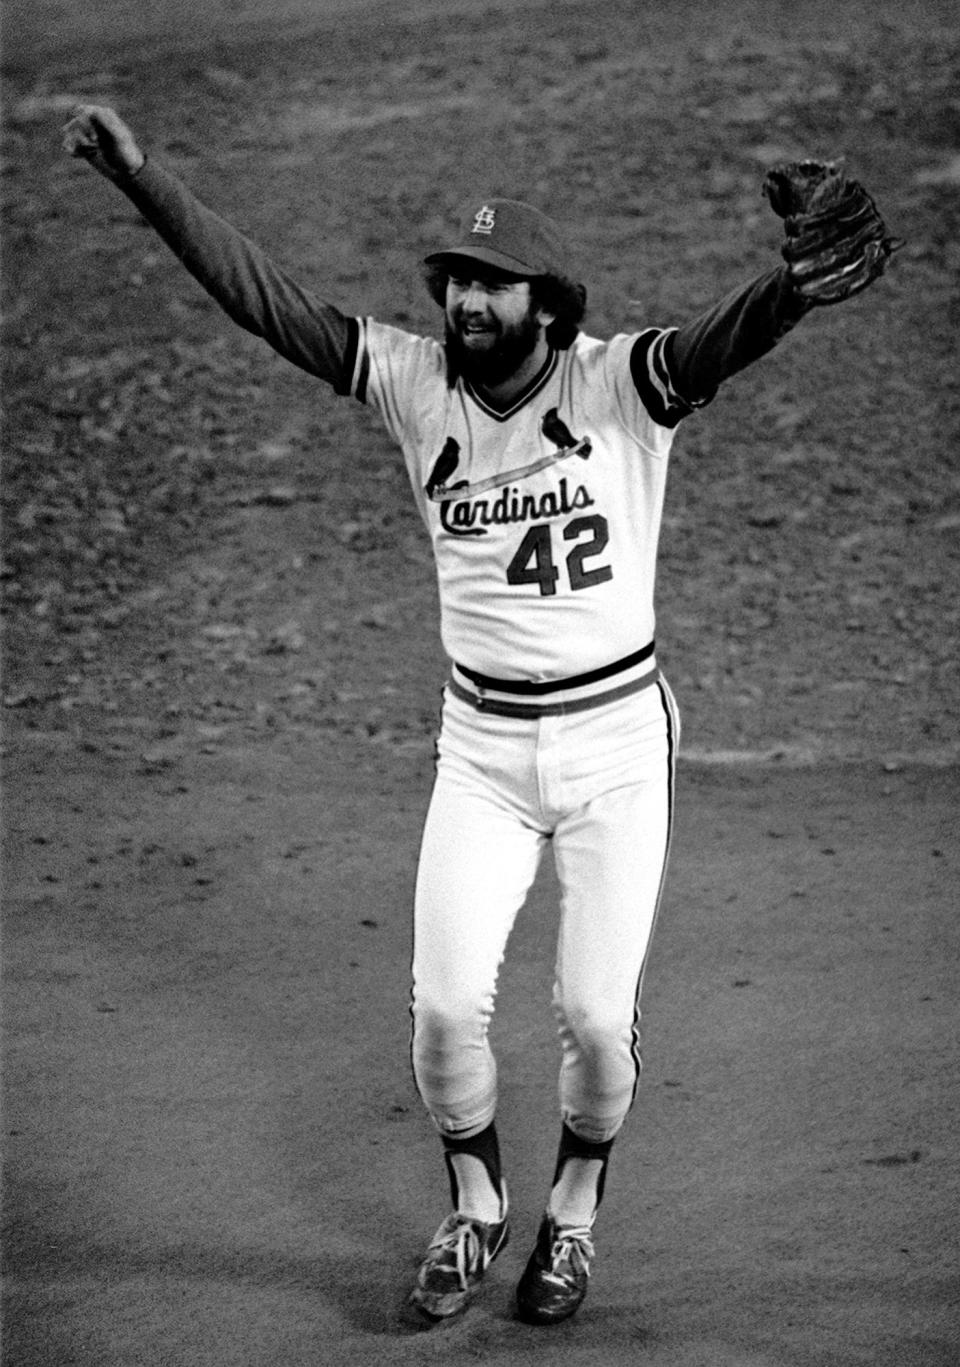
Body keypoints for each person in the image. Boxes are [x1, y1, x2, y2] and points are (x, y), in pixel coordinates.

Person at [62, 105, 885, 1326]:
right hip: (483, 755)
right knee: (446, 1005)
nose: (464, 304)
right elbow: (265, 299)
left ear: (548, 303)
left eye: (492, 287)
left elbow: (723, 339)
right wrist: (144, 179)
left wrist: (792, 291)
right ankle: (476, 1203)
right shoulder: (411, 382)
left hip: (614, 747)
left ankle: (573, 1214)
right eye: (455, 282)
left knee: (598, 1018)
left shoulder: (622, 383)